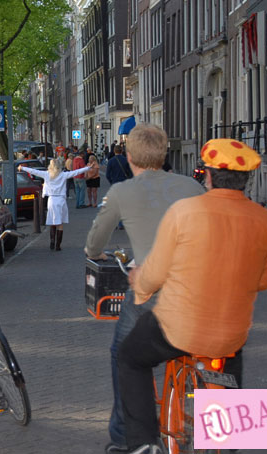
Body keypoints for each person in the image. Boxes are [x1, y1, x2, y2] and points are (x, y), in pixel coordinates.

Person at [117, 138, 267, 454]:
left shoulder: (185, 211)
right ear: (246, 179)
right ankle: (227, 438)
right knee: (231, 358)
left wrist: (141, 285)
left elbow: (156, 272)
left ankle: (143, 443)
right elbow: (264, 281)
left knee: (130, 358)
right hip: (230, 333)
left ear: (206, 175)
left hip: (178, 329)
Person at [84, 124, 205, 454]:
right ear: (165, 153)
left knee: (122, 354)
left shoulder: (123, 191)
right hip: (198, 295)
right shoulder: (192, 187)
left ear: (128, 156)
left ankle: (126, 438)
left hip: (151, 294)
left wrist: (95, 254)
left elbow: (95, 241)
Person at [19, 158, 88, 251]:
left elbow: (34, 171)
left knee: (53, 221)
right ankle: (58, 245)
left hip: (51, 200)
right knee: (60, 223)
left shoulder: (47, 174)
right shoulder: (63, 175)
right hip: (61, 200)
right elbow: (76, 172)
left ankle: (52, 240)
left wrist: (22, 168)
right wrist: (87, 168)